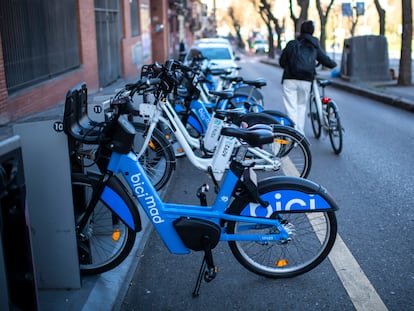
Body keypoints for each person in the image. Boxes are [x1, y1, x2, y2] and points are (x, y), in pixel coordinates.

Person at [279, 20, 337, 134]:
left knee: (291, 108)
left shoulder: (291, 44)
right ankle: (299, 134)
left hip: (289, 79)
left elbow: (282, 62)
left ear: (300, 31)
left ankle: (292, 134)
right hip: (306, 80)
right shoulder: (314, 45)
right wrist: (334, 64)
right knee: (301, 107)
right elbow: (325, 59)